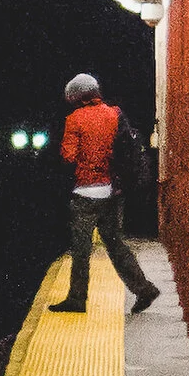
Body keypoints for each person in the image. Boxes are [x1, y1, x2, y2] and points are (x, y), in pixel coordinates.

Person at [50, 72, 158, 315]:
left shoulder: (75, 119)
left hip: (84, 193)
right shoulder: (115, 113)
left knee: (81, 248)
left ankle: (77, 299)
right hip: (111, 191)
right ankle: (143, 288)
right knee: (115, 244)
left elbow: (68, 157)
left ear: (75, 96)